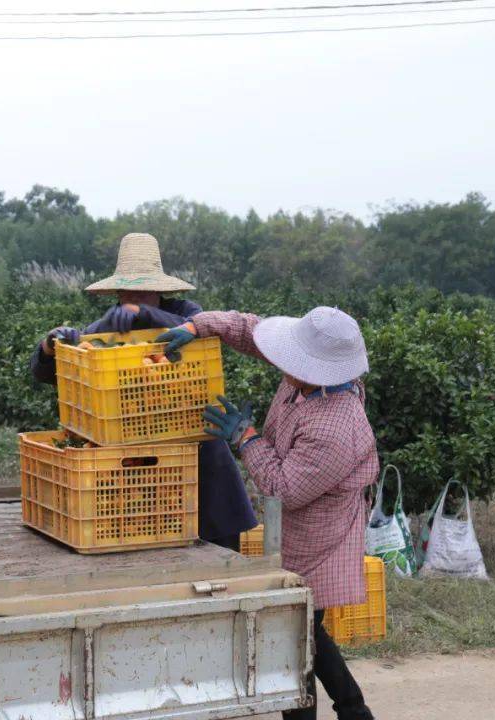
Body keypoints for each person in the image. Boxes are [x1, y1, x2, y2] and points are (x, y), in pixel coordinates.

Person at [157, 306, 376, 720]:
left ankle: (343, 710)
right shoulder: (313, 381)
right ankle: (354, 710)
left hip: (319, 535)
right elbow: (249, 329)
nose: (281, 362)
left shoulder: (334, 426)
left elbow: (284, 489)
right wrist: (196, 325)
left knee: (293, 633)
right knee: (303, 628)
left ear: (315, 370)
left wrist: (247, 437)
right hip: (295, 528)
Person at [30, 232, 257, 551]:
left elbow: (197, 326)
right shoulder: (107, 327)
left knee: (219, 555)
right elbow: (49, 373)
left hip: (200, 460)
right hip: (143, 473)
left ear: (159, 291)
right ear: (118, 291)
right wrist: (49, 346)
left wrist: (147, 315)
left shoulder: (186, 312)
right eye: (128, 293)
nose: (133, 301)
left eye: (143, 293)